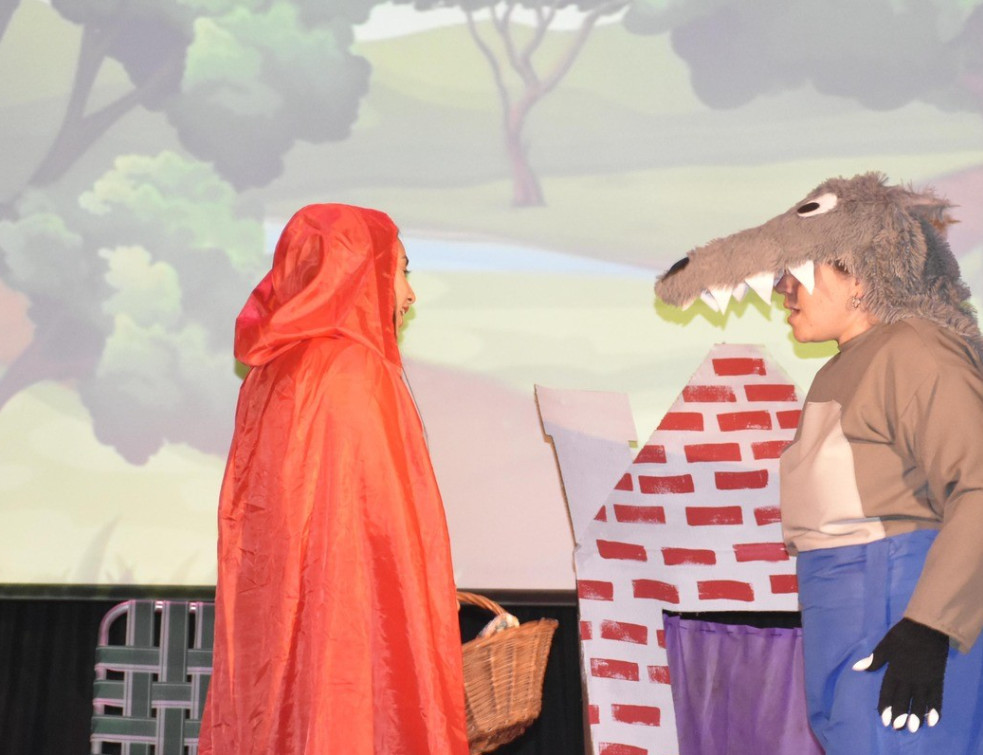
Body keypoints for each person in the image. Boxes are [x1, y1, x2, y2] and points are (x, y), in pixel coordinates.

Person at [654, 173, 983, 753]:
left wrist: (931, 625)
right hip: (844, 604)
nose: (784, 290)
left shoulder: (914, 349)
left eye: (798, 273)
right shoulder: (847, 364)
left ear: (858, 276)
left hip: (896, 600)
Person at [198, 203, 470, 754]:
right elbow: (379, 537)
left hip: (284, 629)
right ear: (356, 271)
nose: (410, 295)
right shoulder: (356, 371)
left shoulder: (272, 373)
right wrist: (422, 597)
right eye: (401, 271)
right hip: (351, 631)